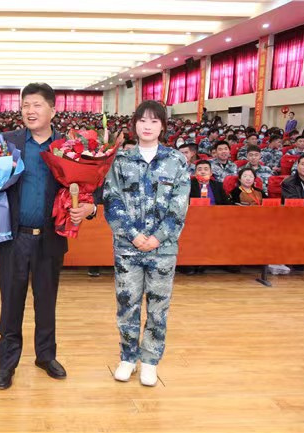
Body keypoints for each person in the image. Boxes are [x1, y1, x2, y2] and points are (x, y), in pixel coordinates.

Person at [0, 83, 96, 390]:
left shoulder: (69, 148)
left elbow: (91, 188)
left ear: (53, 110)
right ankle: (7, 363)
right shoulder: (6, 143)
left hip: (50, 237)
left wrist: (89, 208)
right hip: (13, 237)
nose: (30, 110)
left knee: (46, 301)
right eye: (25, 105)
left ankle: (46, 356)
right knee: (11, 302)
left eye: (37, 105)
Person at [103, 100, 190, 387]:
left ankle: (150, 361)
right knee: (127, 304)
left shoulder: (176, 161)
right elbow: (112, 201)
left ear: (163, 126)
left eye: (154, 121)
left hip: (162, 249)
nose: (148, 126)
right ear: (135, 125)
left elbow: (179, 207)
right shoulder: (121, 161)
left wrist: (157, 238)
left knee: (157, 307)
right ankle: (128, 358)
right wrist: (133, 235)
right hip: (128, 248)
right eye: (142, 121)